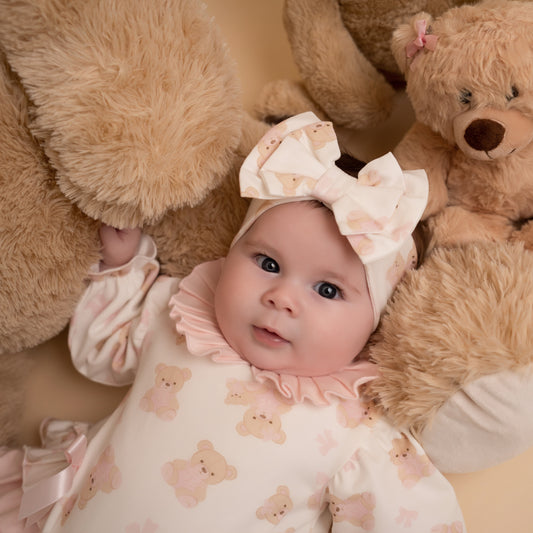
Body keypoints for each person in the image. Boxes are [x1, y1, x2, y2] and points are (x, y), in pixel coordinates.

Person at [2, 112, 465, 532]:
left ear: (374, 325)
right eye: (267, 262)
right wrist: (122, 264)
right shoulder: (182, 318)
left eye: (327, 290)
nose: (281, 298)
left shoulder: (354, 426)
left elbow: (417, 520)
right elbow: (101, 346)